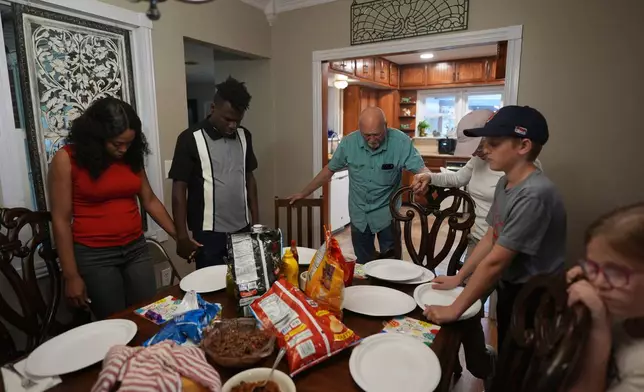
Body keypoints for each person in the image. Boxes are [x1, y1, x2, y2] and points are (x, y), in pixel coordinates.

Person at [421, 105, 567, 356]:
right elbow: (491, 235)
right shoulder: (506, 181)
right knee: (508, 347)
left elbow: (496, 262)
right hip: (513, 285)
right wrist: (459, 277)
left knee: (522, 358)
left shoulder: (534, 194)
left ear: (523, 146)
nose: (484, 150)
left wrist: (455, 309)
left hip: (534, 293)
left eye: (494, 143)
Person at [49, 97, 176, 320]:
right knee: (115, 321)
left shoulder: (130, 157)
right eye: (117, 144)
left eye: (129, 143)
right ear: (96, 137)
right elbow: (60, 220)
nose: (123, 149)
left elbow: (149, 200)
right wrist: (70, 275)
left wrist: (179, 236)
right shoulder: (67, 159)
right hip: (95, 256)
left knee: (149, 314)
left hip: (136, 248)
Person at [289, 107, 428, 264]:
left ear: (386, 126)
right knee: (363, 264)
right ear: (360, 130)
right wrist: (304, 193)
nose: (372, 139)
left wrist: (425, 178)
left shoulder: (400, 142)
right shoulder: (349, 143)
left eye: (377, 134)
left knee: (392, 265)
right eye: (366, 135)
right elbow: (328, 171)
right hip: (359, 214)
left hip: (388, 214)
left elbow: (421, 170)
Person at [169, 76, 259, 269]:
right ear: (212, 108)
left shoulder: (245, 136)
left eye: (237, 120)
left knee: (246, 285)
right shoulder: (189, 138)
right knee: (212, 288)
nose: (233, 125)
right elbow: (178, 190)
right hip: (208, 234)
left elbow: (249, 179)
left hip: (242, 229)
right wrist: (182, 236)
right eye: (227, 119)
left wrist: (256, 223)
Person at [567, 203, 644, 392]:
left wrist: (599, 333)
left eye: (616, 272)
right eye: (593, 266)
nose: (599, 283)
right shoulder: (627, 307)